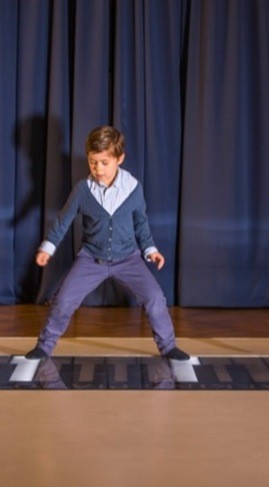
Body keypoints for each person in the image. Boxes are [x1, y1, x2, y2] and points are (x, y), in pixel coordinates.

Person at [25, 125, 189, 361]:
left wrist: (150, 249)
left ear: (119, 159)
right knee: (63, 301)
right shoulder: (83, 189)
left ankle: (168, 346)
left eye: (104, 162)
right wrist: (47, 248)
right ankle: (44, 346)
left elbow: (141, 223)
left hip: (129, 259)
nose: (98, 169)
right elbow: (63, 221)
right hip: (91, 258)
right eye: (93, 162)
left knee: (155, 299)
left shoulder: (133, 188)